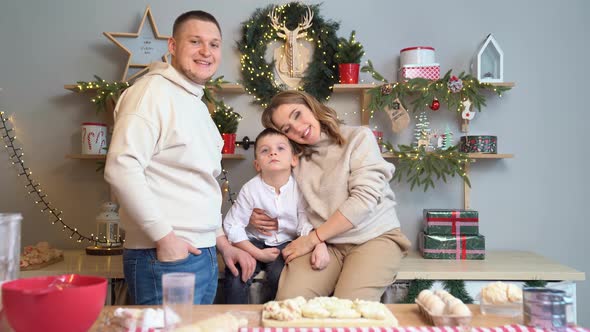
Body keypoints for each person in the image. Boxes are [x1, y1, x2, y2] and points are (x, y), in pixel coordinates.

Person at [104, 10, 255, 305]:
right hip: (164, 255)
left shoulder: (196, 103)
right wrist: (164, 238)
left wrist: (222, 243)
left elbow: (201, 183)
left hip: (202, 252)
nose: (206, 52)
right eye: (195, 41)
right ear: (172, 46)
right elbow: (122, 168)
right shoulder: (150, 93)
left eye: (213, 44)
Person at [250, 90, 412, 302]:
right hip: (327, 245)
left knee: (349, 309)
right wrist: (255, 217)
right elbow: (287, 202)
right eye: (287, 129)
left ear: (311, 106)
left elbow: (363, 200)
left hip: (374, 237)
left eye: (297, 114)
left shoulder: (358, 138)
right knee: (289, 303)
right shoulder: (296, 160)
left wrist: (313, 239)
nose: (298, 128)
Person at [223, 128, 329, 304]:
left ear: (293, 159)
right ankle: (235, 318)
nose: (273, 152)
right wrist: (257, 253)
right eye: (265, 150)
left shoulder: (299, 188)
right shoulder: (250, 189)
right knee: (236, 274)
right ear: (257, 164)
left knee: (281, 277)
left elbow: (304, 222)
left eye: (280, 149)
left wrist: (316, 243)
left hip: (287, 243)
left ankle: (275, 316)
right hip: (253, 242)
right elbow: (233, 225)